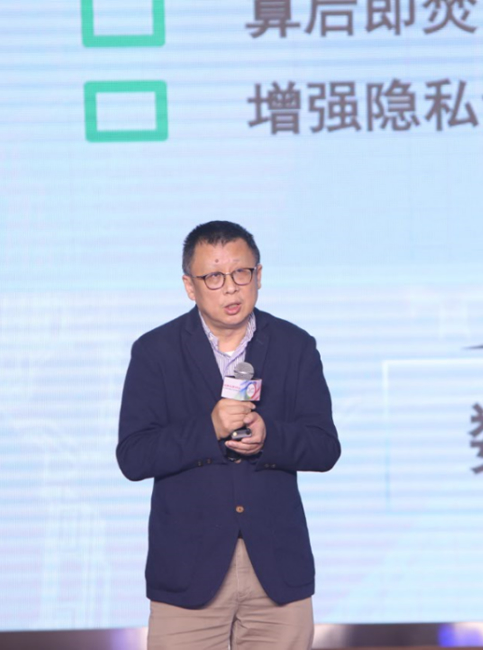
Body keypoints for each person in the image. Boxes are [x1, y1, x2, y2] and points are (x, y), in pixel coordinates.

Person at [115, 221, 342, 650]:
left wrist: (269, 436)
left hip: (277, 569)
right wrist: (209, 430)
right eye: (214, 277)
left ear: (259, 275)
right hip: (188, 571)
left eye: (241, 272)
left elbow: (325, 446)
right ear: (190, 285)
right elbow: (134, 455)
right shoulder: (155, 351)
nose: (231, 288)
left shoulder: (294, 345)